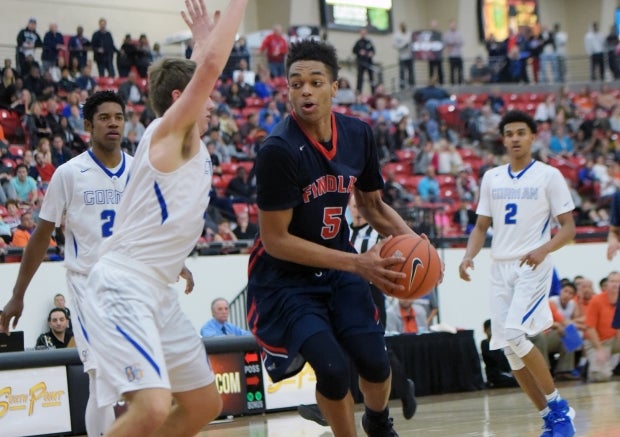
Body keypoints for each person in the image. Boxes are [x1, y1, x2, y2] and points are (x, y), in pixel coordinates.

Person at [246, 38, 432, 436]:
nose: (305, 90)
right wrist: (356, 263)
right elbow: (276, 240)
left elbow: (372, 207)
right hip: (287, 280)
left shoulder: (358, 134)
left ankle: (378, 423)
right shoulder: (278, 150)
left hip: (339, 266)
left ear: (335, 86)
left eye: (315, 81)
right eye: (296, 84)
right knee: (331, 370)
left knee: (375, 361)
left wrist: (419, 246)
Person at [79, 1, 247, 435]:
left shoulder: (186, 140)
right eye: (204, 97)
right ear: (181, 101)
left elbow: (197, 72)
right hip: (124, 283)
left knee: (203, 404)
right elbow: (208, 69)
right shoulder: (171, 136)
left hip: (159, 288)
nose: (212, 104)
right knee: (151, 407)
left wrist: (198, 44)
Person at [0, 91, 130, 437]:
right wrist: (18, 294)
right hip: (88, 286)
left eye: (118, 116)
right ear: (88, 125)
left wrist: (176, 262)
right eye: (104, 117)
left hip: (133, 286)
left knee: (138, 376)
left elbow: (154, 226)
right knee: (100, 375)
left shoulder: (138, 169)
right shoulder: (69, 173)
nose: (113, 122)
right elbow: (40, 237)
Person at [459, 110, 577, 437]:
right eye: (509, 133)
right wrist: (469, 256)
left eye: (520, 132)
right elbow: (481, 226)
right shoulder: (491, 178)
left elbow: (569, 228)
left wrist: (545, 249)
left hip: (532, 264)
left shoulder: (549, 176)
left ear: (532, 137)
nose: (514, 138)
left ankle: (558, 406)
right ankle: (548, 418)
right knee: (509, 349)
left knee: (514, 334)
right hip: (499, 266)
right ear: (503, 138)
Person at [583, 271, 620, 382]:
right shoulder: (596, 300)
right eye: (612, 281)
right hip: (598, 342)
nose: (615, 284)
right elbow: (590, 327)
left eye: (618, 281)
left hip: (616, 339)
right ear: (606, 284)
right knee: (601, 377)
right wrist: (599, 349)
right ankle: (589, 368)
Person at [480, 319, 519, 388]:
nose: (491, 331)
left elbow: (505, 359)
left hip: (505, 373)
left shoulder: (500, 342)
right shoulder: (485, 343)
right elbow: (494, 359)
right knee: (516, 381)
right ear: (485, 330)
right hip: (495, 375)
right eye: (489, 329)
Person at [352, 28, 376, 94]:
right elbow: (354, 50)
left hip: (369, 63)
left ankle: (373, 93)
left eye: (364, 33)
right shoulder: (358, 42)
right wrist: (359, 52)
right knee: (360, 79)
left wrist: (371, 53)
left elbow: (373, 51)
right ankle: (358, 93)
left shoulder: (369, 42)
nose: (363, 34)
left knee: (371, 78)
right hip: (361, 63)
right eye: (362, 33)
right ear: (360, 34)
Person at [392, 22, 414, 90]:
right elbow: (394, 45)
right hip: (402, 56)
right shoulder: (397, 35)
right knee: (402, 72)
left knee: (411, 72)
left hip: (410, 56)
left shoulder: (409, 34)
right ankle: (402, 86)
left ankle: (412, 85)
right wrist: (403, 45)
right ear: (400, 27)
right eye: (402, 26)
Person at [443, 19, 463, 85]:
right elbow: (445, 43)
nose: (453, 26)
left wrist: (452, 43)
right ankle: (452, 85)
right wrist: (451, 44)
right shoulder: (446, 34)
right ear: (449, 25)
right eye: (451, 25)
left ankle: (460, 84)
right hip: (451, 55)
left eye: (454, 25)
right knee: (452, 71)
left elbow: (461, 42)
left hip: (458, 55)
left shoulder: (459, 34)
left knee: (460, 71)